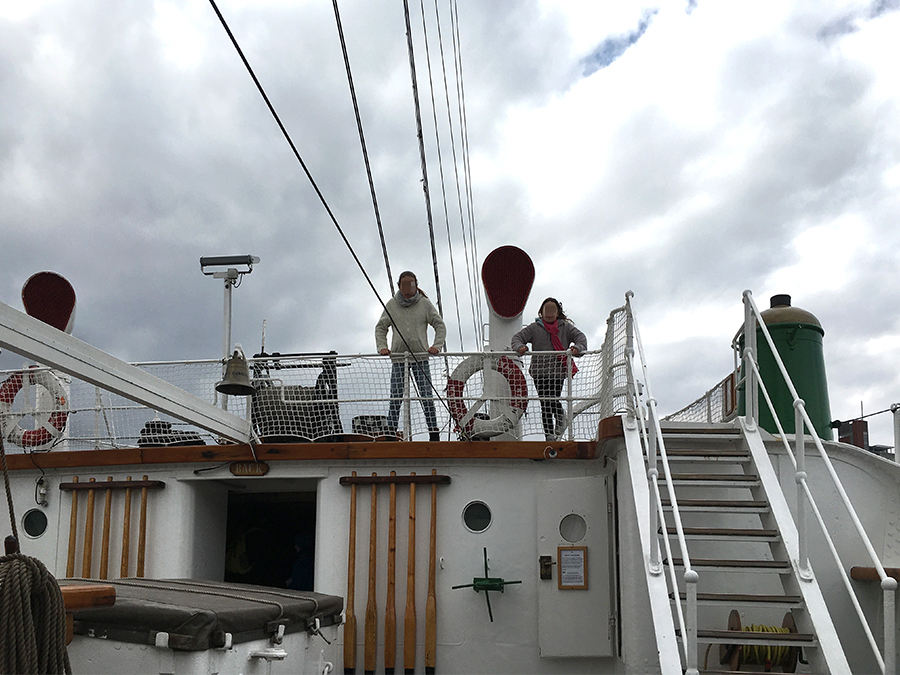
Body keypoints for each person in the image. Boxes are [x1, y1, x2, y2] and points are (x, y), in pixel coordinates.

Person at [375, 271, 446, 442]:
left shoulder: (425, 304)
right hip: (399, 358)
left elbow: (439, 325)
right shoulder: (391, 305)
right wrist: (382, 347)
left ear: (416, 285)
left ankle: (433, 433)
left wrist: (437, 346)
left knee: (426, 396)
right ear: (399, 286)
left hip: (421, 357)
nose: (408, 288)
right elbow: (380, 327)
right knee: (396, 396)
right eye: (405, 285)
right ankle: (392, 432)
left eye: (411, 284)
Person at [511, 297, 587, 441]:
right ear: (541, 312)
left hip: (557, 372)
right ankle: (549, 435)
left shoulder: (565, 327)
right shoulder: (534, 328)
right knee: (545, 403)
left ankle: (559, 417)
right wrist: (520, 347)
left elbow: (581, 338)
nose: (550, 313)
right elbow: (517, 338)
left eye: (553, 310)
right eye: (547, 310)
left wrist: (577, 348)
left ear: (558, 312)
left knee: (551, 400)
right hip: (539, 372)